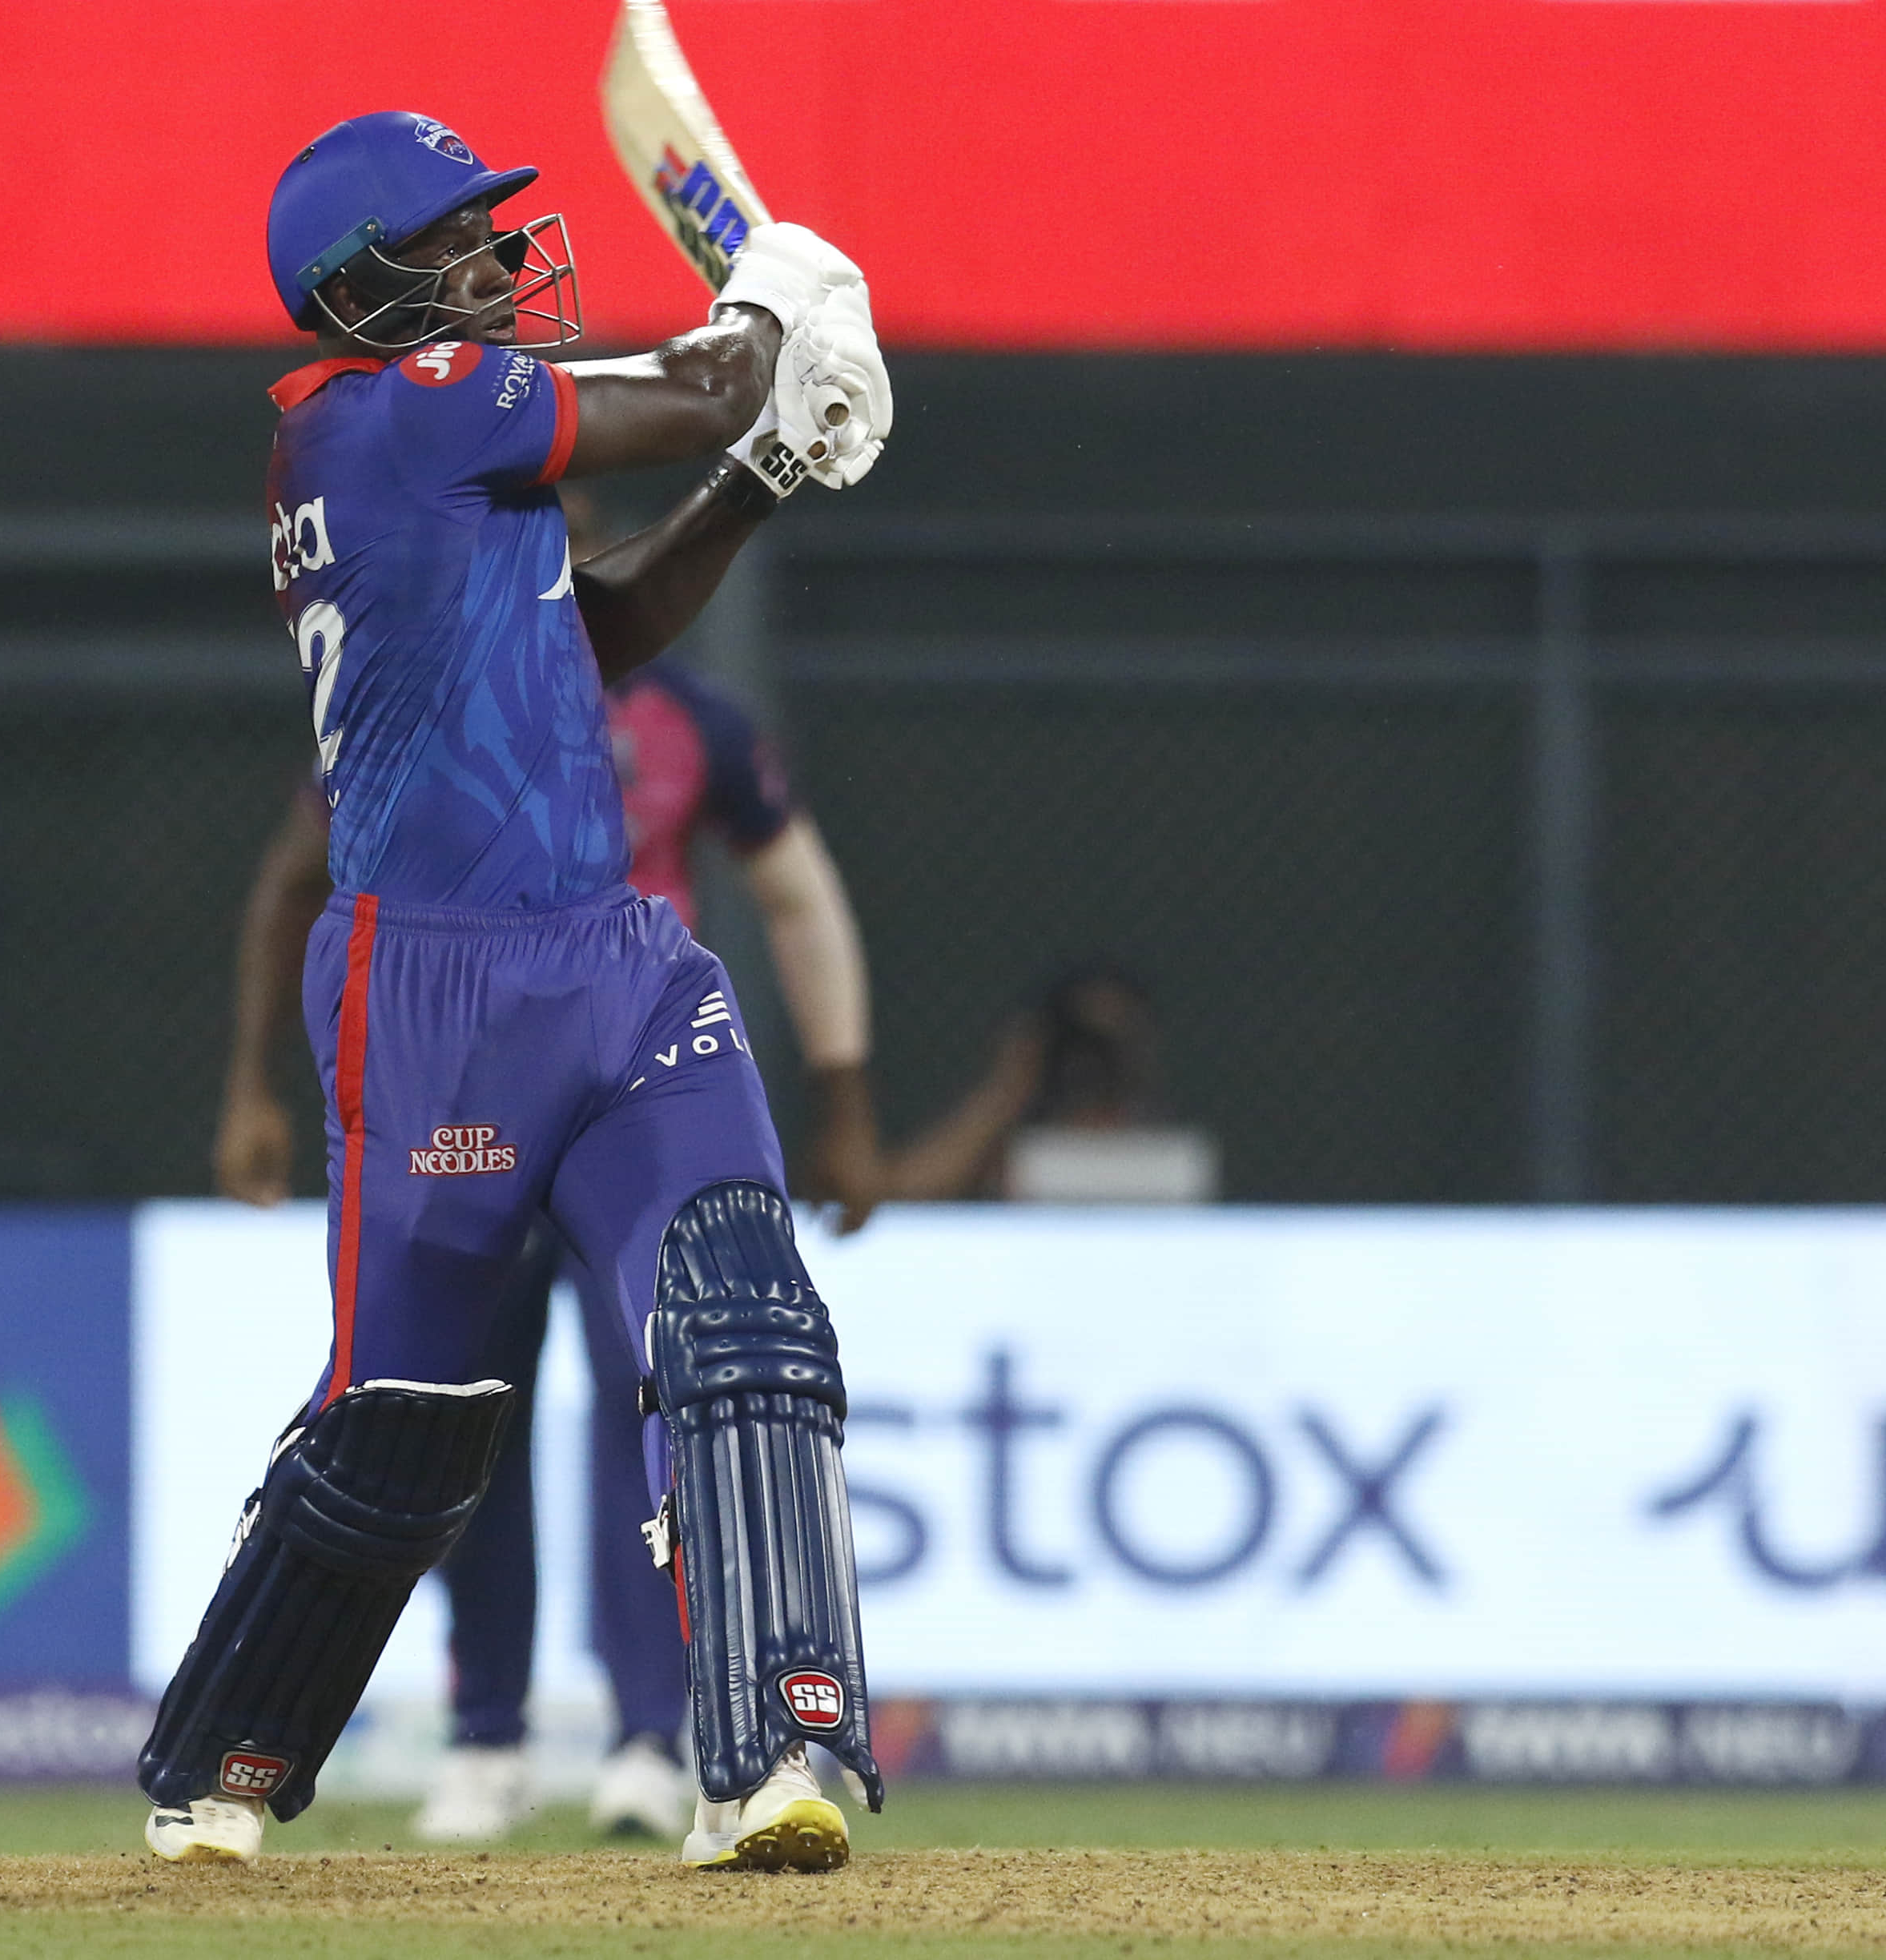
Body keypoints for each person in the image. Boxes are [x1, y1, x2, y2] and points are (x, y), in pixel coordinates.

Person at [138, 108, 893, 1873]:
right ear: (364, 288)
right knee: (398, 1427)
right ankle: (222, 1760)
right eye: (459, 237)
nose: (497, 258)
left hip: (617, 962)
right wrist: (774, 295)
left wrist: (766, 477)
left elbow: (594, 634)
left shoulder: (424, 444)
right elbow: (701, 384)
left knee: (740, 1322)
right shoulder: (393, 412)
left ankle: (763, 1757)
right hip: (432, 990)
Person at [211, 497, 886, 1844]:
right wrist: (251, 1083)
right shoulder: (413, 691)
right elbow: (294, 878)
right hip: (458, 1083)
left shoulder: (689, 716)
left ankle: (661, 1733)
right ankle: (485, 1734)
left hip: (628, 1086)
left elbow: (795, 888)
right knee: (445, 1412)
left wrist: (843, 1089)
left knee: (680, 1380)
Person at [883, 964, 1218, 1203]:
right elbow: (903, 1197)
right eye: (1083, 1044)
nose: (1096, 1064)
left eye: (1113, 1045)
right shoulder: (1006, 1156)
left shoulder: (1176, 1157)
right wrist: (1008, 1087)